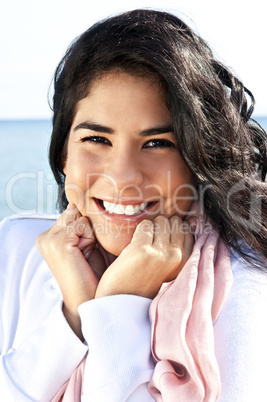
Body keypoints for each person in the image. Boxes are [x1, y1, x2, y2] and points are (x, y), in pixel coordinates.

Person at [0, 8, 267, 401]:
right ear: (63, 155)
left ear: (198, 158)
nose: (123, 177)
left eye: (158, 143)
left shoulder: (246, 287)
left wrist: (118, 306)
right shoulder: (15, 249)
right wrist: (74, 315)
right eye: (96, 139)